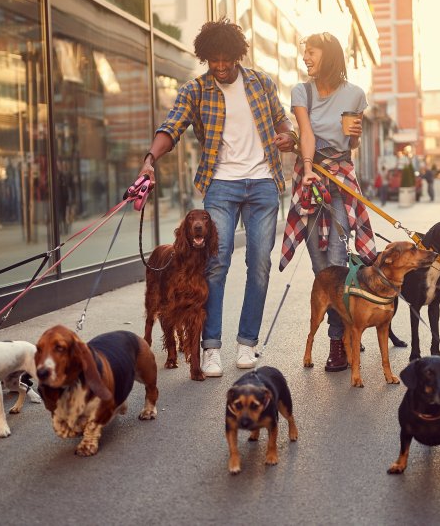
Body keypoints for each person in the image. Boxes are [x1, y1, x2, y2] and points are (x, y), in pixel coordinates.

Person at [138, 19, 297, 378]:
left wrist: (288, 136)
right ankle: (210, 348)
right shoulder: (195, 91)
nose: (221, 66)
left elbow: (281, 121)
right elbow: (172, 126)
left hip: (262, 183)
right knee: (216, 263)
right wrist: (150, 160)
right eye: (214, 61)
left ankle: (247, 343)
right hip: (221, 185)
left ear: (238, 55)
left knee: (259, 264)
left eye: (227, 59)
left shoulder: (260, 83)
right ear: (205, 58)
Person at [278, 31, 381, 373]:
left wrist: (353, 134)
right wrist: (307, 169)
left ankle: (339, 342)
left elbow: (352, 142)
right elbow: (305, 133)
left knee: (337, 257)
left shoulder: (355, 93)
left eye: (311, 52)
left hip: (340, 180)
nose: (305, 58)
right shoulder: (301, 91)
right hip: (310, 177)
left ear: (330, 55)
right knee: (320, 266)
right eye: (304, 53)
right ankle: (346, 327)